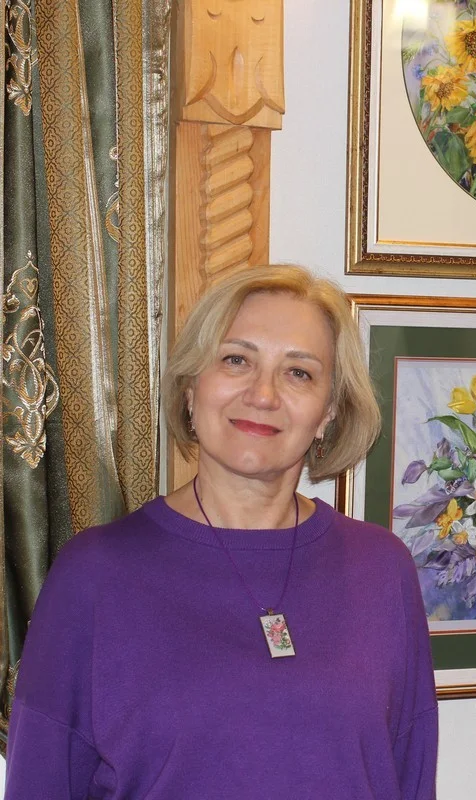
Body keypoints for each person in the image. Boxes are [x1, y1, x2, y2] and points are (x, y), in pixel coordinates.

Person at [6, 265, 438, 798]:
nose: (263, 394)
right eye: (236, 360)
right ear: (191, 388)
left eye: (298, 372)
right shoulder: (94, 575)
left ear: (328, 411)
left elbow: (412, 776)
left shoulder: (382, 568)